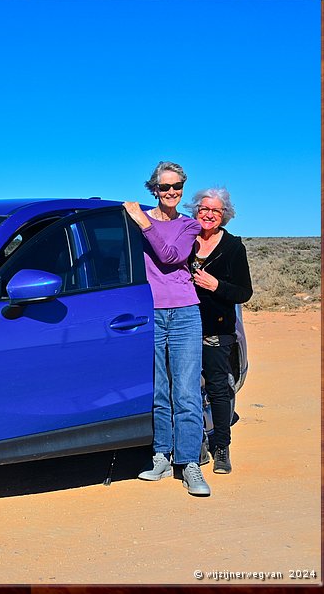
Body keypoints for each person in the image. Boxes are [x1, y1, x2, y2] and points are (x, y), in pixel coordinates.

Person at [123, 161, 210, 496]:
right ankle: (161, 455)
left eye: (177, 188)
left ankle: (189, 464)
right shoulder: (138, 221)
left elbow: (170, 256)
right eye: (165, 188)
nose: (171, 193)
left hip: (185, 313)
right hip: (151, 313)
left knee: (186, 391)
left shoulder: (188, 227)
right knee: (159, 389)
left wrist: (143, 222)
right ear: (154, 190)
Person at [187, 186, 253, 474]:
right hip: (184, 326)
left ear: (224, 215)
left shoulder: (233, 247)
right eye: (204, 209)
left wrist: (216, 286)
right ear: (196, 211)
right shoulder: (186, 240)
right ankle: (194, 444)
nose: (209, 214)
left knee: (216, 388)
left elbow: (244, 292)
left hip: (217, 329)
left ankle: (221, 446)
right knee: (186, 388)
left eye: (215, 210)